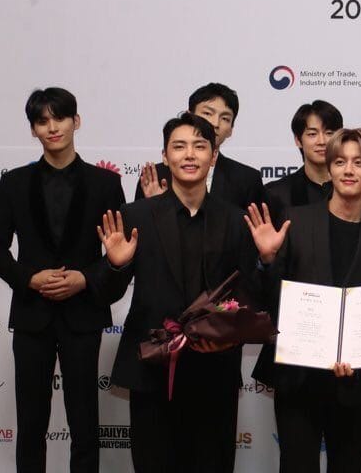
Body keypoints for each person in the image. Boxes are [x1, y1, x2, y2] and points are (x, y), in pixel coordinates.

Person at [97, 113, 264, 473]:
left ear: (213, 156)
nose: (189, 154)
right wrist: (116, 264)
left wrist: (266, 259)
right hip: (152, 368)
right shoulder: (136, 215)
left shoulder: (236, 220)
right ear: (165, 155)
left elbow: (250, 297)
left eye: (199, 146)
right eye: (179, 146)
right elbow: (107, 293)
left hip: (214, 370)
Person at [0, 87, 125, 473]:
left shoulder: (105, 184)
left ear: (76, 121)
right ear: (33, 130)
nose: (52, 127)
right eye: (42, 121)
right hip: (32, 316)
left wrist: (84, 278)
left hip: (83, 315)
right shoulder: (13, 182)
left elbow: (120, 254)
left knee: (85, 423)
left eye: (59, 118)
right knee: (30, 424)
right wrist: (29, 278)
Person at [247, 128, 361, 473]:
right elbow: (267, 300)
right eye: (340, 162)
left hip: (353, 381)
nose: (348, 170)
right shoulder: (295, 221)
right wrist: (267, 259)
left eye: (360, 163)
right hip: (298, 378)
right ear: (330, 168)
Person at [135, 82, 265, 209]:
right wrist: (155, 206)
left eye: (225, 118)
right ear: (189, 116)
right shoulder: (154, 177)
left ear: (231, 129)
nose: (215, 123)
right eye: (207, 113)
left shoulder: (247, 180)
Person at [264, 100, 361, 226]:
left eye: (329, 133)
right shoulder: (276, 193)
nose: (322, 141)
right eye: (312, 134)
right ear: (298, 140)